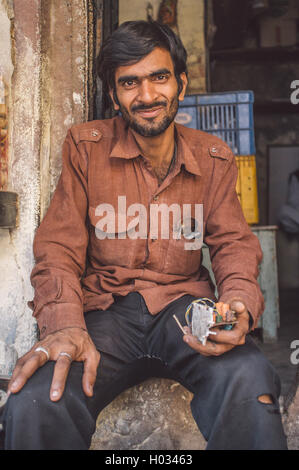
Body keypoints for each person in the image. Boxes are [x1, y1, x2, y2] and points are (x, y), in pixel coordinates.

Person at [2, 20, 287, 450]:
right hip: (105, 314)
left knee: (250, 379)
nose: (148, 95)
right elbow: (58, 247)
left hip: (185, 312)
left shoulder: (214, 158)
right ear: (115, 95)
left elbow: (232, 244)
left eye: (159, 77)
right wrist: (63, 325)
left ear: (181, 83)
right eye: (130, 83)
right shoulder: (86, 148)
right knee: (38, 400)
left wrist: (240, 305)